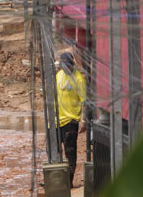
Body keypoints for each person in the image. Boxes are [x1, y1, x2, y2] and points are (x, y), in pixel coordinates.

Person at [56, 52, 86, 188]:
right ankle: (56, 179)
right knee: (54, 151)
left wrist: (83, 121)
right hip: (56, 121)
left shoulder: (79, 79)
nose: (66, 69)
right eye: (64, 66)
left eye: (68, 66)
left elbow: (84, 101)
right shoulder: (58, 76)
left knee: (69, 152)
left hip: (71, 121)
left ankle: (68, 182)